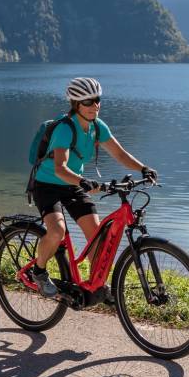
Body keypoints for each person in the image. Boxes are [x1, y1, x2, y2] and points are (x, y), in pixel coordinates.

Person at [30, 77, 157, 297]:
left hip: (73, 185)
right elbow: (60, 168)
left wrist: (143, 168)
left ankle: (96, 285)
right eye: (88, 102)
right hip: (48, 185)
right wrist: (82, 181)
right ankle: (39, 271)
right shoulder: (64, 129)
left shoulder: (98, 127)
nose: (95, 105)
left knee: (96, 235)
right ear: (76, 104)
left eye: (97, 100)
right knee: (57, 231)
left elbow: (119, 154)